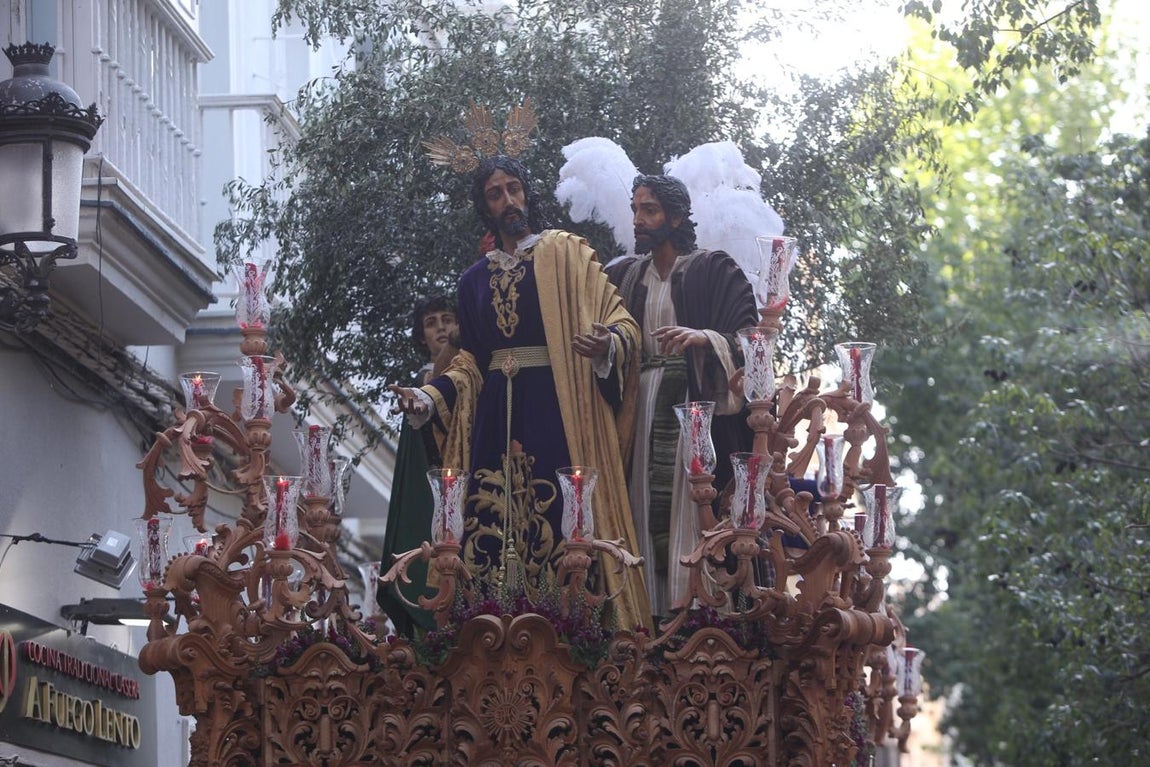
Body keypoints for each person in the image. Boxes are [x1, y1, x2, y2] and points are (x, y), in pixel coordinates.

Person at [390, 155, 652, 632]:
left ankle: (576, 631)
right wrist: (429, 397)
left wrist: (606, 346)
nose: (508, 200)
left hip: (556, 408)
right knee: (485, 525)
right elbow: (470, 361)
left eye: (513, 188)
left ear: (526, 193)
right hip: (493, 419)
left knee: (564, 518)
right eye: (496, 194)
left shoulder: (566, 255)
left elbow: (622, 322)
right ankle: (488, 631)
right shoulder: (472, 282)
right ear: (485, 207)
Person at [605, 174, 758, 618]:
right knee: (640, 509)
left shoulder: (713, 268)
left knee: (691, 511)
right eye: (635, 210)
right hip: (640, 413)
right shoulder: (625, 276)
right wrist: (605, 349)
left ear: (675, 217)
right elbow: (616, 339)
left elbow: (750, 339)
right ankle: (645, 617)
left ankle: (697, 614)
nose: (639, 220)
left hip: (694, 410)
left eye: (649, 210)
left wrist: (705, 338)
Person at [377, 295, 459, 637]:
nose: (440, 327)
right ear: (421, 337)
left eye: (446, 318)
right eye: (431, 322)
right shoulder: (421, 386)